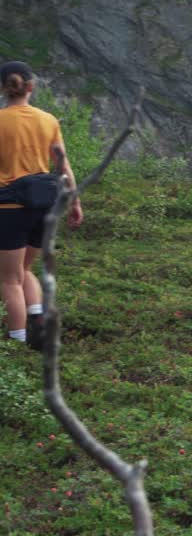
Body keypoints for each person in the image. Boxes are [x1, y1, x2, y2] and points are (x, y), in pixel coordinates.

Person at [0, 61, 82, 349]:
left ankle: (18, 343)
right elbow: (62, 164)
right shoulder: (48, 120)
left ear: (3, 88)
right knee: (25, 269)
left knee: (9, 280)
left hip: (9, 207)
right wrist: (74, 200)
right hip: (44, 204)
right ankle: (37, 322)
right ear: (30, 87)